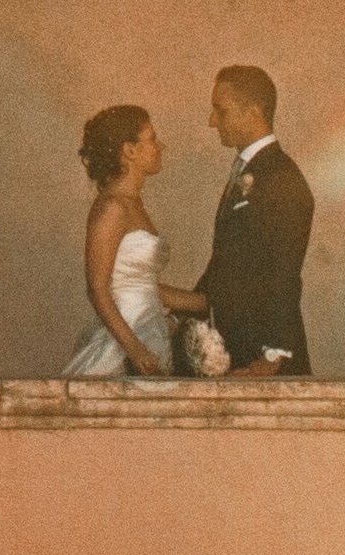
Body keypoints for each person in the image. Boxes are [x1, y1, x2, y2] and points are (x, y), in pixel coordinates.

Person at [191, 64, 313, 375]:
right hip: (239, 347)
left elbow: (284, 271)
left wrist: (274, 356)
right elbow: (226, 264)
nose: (211, 121)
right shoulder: (249, 170)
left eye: (221, 110)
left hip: (263, 358)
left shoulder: (281, 177)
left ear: (253, 111)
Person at [58, 105, 186, 379]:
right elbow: (97, 289)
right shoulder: (112, 208)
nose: (160, 145)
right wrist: (135, 350)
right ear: (130, 151)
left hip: (151, 330)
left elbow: (143, 285)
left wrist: (205, 301)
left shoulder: (134, 204)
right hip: (125, 340)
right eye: (151, 139)